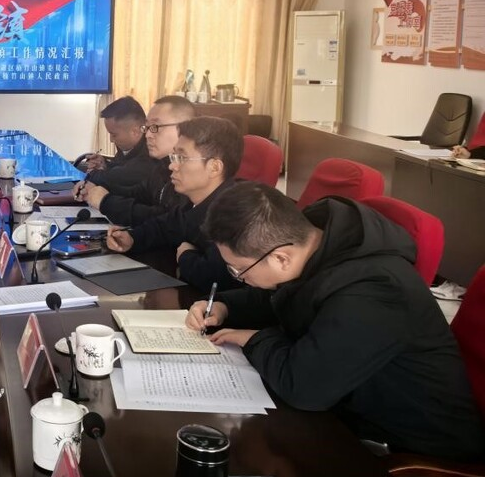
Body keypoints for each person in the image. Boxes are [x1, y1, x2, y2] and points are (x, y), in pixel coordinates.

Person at [186, 182, 485, 460]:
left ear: (281, 258)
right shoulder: (317, 244)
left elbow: (304, 388)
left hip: (411, 449)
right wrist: (225, 306)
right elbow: (281, 296)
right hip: (346, 409)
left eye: (238, 270)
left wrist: (253, 339)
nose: (240, 277)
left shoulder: (376, 290)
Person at [106, 116, 241, 289]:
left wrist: (185, 255)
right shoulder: (193, 202)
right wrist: (132, 238)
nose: (172, 166)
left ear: (214, 167)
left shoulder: (235, 214)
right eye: (174, 156)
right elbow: (164, 227)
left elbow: (212, 278)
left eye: (182, 158)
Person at [79, 95, 196, 226]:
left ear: (185, 127)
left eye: (155, 126)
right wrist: (93, 190)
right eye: (147, 127)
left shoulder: (194, 172)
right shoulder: (163, 166)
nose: (148, 135)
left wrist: (105, 201)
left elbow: (169, 221)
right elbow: (137, 193)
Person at [73, 97, 158, 200]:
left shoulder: (152, 153)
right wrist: (105, 165)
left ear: (135, 131)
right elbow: (120, 169)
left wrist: (92, 174)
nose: (111, 140)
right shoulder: (129, 148)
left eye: (114, 135)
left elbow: (121, 176)